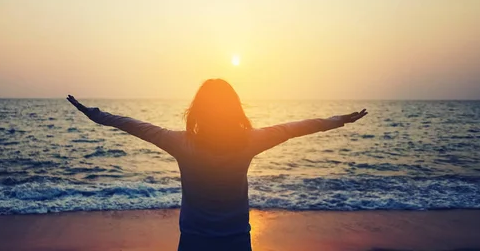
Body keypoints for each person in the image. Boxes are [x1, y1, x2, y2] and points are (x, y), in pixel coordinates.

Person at [67, 78, 367, 251]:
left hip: (194, 241)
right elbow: (295, 127)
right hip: (237, 240)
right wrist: (337, 121)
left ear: (198, 111)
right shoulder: (249, 141)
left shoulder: (181, 143)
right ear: (233, 110)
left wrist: (93, 113)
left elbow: (133, 125)